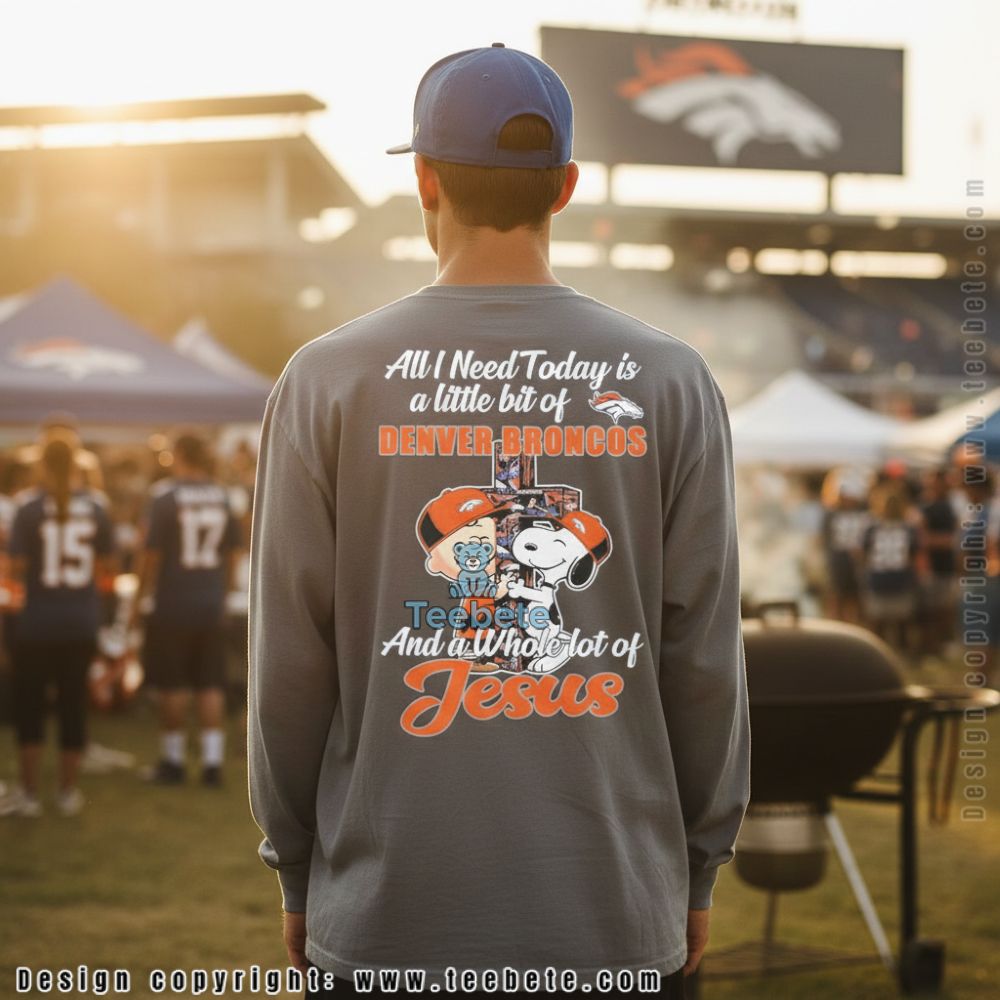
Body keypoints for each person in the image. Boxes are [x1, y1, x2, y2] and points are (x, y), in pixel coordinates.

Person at [248, 43, 749, 999]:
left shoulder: (327, 379)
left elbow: (288, 659)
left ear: (424, 181)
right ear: (564, 188)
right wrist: (699, 859)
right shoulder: (670, 378)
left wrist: (296, 861)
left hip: (389, 914)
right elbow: (705, 653)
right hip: (612, 914)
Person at [0, 435, 116, 818]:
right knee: (72, 705)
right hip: (80, 620)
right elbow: (108, 567)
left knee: (31, 706)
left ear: (43, 465)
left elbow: (15, 569)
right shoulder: (97, 506)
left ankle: (30, 793)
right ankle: (67, 792)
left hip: (37, 622)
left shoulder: (29, 507)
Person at [133, 432, 242, 786]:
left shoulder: (165, 496)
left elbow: (151, 555)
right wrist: (221, 593)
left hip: (173, 602)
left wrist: (139, 599)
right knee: (210, 683)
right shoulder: (223, 496)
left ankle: (174, 761)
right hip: (210, 602)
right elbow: (234, 553)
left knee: (172, 684)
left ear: (179, 454)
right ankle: (212, 764)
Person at [860, 485, 920, 653]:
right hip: (895, 579)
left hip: (883, 579)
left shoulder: (873, 528)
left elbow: (863, 553)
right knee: (895, 624)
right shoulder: (908, 529)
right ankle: (894, 656)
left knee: (884, 625)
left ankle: (883, 656)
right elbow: (913, 555)